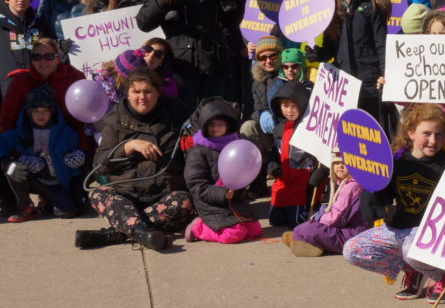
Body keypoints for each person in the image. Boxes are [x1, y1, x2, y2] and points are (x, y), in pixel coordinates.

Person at [343, 104, 445, 302]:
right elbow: (383, 194)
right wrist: (371, 192)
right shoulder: (396, 161)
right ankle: (414, 271)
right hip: (401, 227)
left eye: (438, 134)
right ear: (411, 133)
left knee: (411, 251)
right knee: (352, 250)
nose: (433, 140)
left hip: (433, 231)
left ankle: (442, 275)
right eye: (426, 133)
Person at [79, 68, 194, 251]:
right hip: (126, 192)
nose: (142, 97)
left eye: (148, 91)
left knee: (184, 201)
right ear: (127, 94)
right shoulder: (115, 118)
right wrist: (128, 146)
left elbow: (202, 118)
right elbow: (99, 166)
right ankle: (141, 232)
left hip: (164, 191)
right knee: (99, 194)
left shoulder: (177, 111)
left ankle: (119, 232)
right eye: (136, 92)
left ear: (158, 93)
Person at [137, 0, 245, 105]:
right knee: (183, 118)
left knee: (213, 120)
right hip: (180, 67)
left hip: (213, 66)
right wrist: (161, 2)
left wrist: (237, 0)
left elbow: (231, 23)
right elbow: (143, 23)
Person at [311, 0, 389, 124]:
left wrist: (385, 74)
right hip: (343, 82)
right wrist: (317, 54)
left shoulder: (371, 6)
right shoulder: (333, 9)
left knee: (370, 127)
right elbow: (331, 49)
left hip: (369, 81)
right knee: (349, 129)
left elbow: (381, 45)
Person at [0, 87, 86, 221]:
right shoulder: (21, 132)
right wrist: (8, 161)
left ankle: (47, 202)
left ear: (52, 111)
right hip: (32, 178)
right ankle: (25, 205)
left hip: (56, 181)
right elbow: (2, 143)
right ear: (29, 113)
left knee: (68, 212)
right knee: (14, 169)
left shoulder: (66, 133)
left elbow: (75, 168)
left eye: (45, 111)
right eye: (36, 111)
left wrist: (76, 186)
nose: (41, 115)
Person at [183, 100, 263, 244]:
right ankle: (198, 227)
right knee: (234, 234)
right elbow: (195, 184)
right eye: (211, 124)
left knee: (255, 230)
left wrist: (238, 191)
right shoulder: (198, 151)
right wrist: (221, 193)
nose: (215, 127)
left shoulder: (236, 144)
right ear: (204, 126)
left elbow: (242, 174)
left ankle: (223, 225)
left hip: (235, 201)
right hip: (211, 204)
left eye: (220, 123)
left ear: (228, 124)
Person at [282, 155, 370, 257]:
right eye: (336, 163)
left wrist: (319, 216)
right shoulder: (347, 183)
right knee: (309, 226)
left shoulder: (351, 186)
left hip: (354, 234)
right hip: (353, 229)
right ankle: (306, 240)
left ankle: (303, 239)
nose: (340, 166)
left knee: (307, 228)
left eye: (345, 163)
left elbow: (336, 219)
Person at [0, 38, 87, 135]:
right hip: (31, 143)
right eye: (37, 57)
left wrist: (84, 149)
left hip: (69, 142)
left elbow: (85, 121)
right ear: (32, 60)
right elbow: (7, 122)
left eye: (49, 56)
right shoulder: (21, 81)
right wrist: (12, 148)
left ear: (58, 58)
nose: (43, 61)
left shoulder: (74, 77)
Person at [266, 81, 317, 229]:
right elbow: (273, 153)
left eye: (294, 106)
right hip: (283, 183)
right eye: (285, 106)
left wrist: (316, 179)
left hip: (302, 185)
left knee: (296, 223)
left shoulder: (309, 129)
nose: (290, 110)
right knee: (275, 221)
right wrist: (272, 165)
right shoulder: (278, 129)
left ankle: (315, 211)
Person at [240, 36, 285, 152]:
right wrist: (262, 114)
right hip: (268, 134)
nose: (268, 61)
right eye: (263, 57)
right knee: (248, 127)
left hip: (287, 130)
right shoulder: (256, 82)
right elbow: (251, 111)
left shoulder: (288, 75)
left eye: (273, 56)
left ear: (280, 55)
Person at [0, 0, 41, 95]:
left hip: (36, 84)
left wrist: (61, 47)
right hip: (8, 87)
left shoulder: (38, 22)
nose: (21, 0)